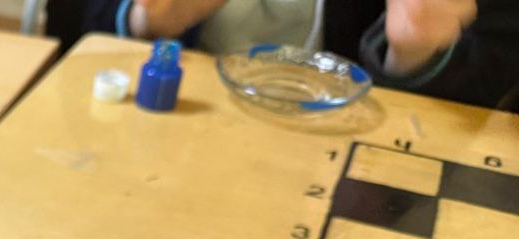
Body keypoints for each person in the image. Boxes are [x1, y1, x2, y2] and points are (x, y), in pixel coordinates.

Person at [45, 0, 519, 112]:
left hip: (349, 150)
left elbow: (491, 75)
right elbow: (70, 23)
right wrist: (141, 18)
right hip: (170, 112)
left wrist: (415, 54)